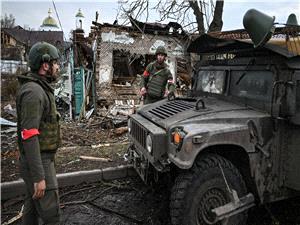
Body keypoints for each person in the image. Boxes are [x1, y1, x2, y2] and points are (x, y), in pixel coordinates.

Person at [16, 42, 61, 225]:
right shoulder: (34, 93)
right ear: (45, 65)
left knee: (32, 209)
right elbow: (29, 135)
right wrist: (39, 177)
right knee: (52, 215)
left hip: (40, 159)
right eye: (56, 62)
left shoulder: (40, 87)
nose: (58, 67)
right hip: (39, 162)